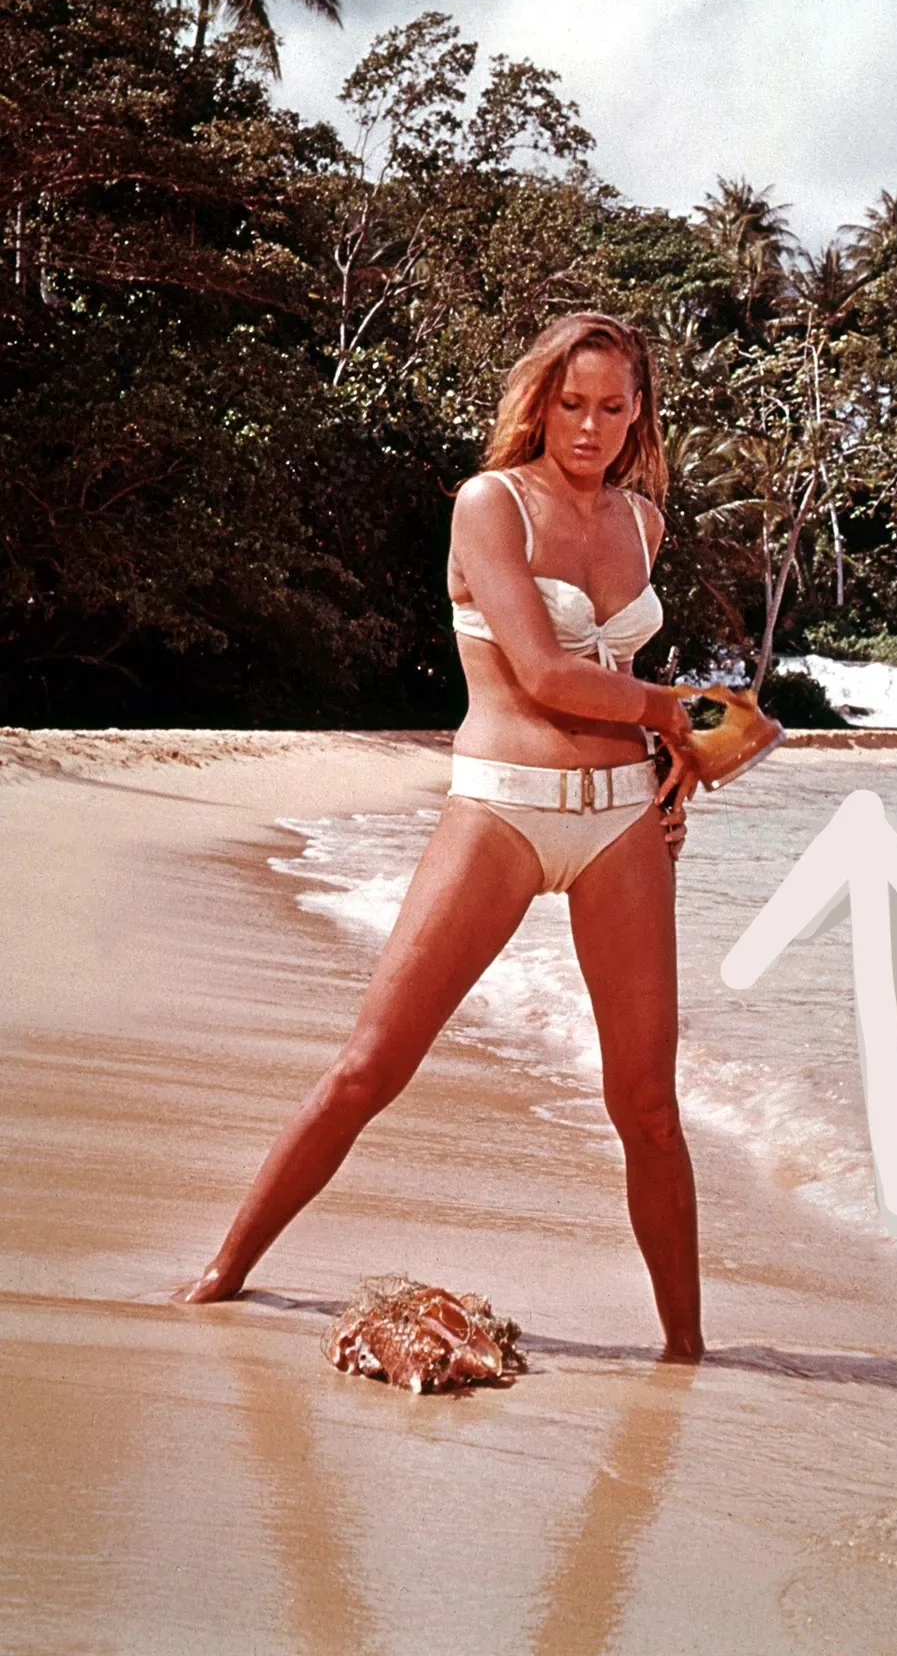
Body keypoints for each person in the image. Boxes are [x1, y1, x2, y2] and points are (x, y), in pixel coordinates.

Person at [177, 312, 706, 1361]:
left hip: (618, 824)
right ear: (538, 400)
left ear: (640, 405)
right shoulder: (488, 504)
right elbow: (547, 674)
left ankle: (687, 1354)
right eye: (570, 403)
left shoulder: (645, 524)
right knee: (371, 1064)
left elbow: (624, 688)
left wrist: (676, 761)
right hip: (501, 806)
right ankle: (220, 1272)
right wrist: (682, 711)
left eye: (611, 405)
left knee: (647, 1102)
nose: (589, 426)